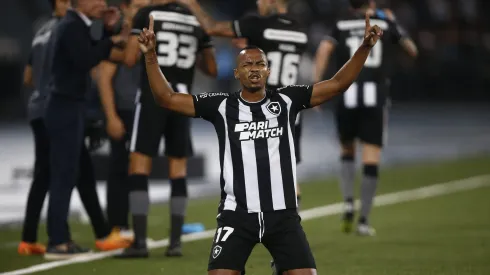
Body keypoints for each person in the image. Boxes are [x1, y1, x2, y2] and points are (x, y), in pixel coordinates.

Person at [137, 12, 382, 275]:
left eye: (259, 63)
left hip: (283, 216)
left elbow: (337, 84)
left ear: (268, 70)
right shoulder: (221, 105)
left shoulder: (289, 99)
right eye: (247, 64)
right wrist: (151, 55)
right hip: (237, 215)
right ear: (237, 72)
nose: (254, 68)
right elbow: (167, 98)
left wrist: (365, 47)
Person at [18, 0, 131, 258]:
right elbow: (86, 59)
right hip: (63, 107)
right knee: (63, 175)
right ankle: (58, 241)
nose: (102, 3)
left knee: (78, 173)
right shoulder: (70, 26)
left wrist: (107, 31)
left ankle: (96, 234)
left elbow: (89, 53)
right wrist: (112, 41)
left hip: (64, 107)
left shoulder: (72, 25)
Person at [176, 0, 308, 209]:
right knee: (287, 172)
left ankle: (249, 224)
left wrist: (192, 4)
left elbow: (211, 27)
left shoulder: (257, 24)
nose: (259, 3)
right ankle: (291, 224)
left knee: (248, 171)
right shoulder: (300, 30)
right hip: (290, 108)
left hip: (261, 108)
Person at [116, 0, 217, 258]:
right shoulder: (195, 19)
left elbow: (129, 59)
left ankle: (140, 243)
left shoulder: (147, 14)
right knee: (178, 169)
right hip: (182, 97)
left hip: (153, 95)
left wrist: (127, 29)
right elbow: (212, 68)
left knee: (139, 165)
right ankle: (175, 244)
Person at [313, 0, 418, 236]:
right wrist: (393, 26)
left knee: (347, 150)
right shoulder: (386, 21)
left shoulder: (340, 23)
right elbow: (412, 50)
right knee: (371, 154)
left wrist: (317, 85)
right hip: (375, 95)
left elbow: (323, 50)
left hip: (346, 94)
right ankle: (364, 220)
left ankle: (348, 201)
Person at [97, 0, 150, 242]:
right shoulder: (118, 34)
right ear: (126, 8)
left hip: (143, 108)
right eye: (137, 5)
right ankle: (118, 226)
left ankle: (134, 229)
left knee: (138, 170)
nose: (142, 8)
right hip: (124, 110)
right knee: (119, 169)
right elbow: (104, 77)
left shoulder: (147, 32)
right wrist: (111, 116)